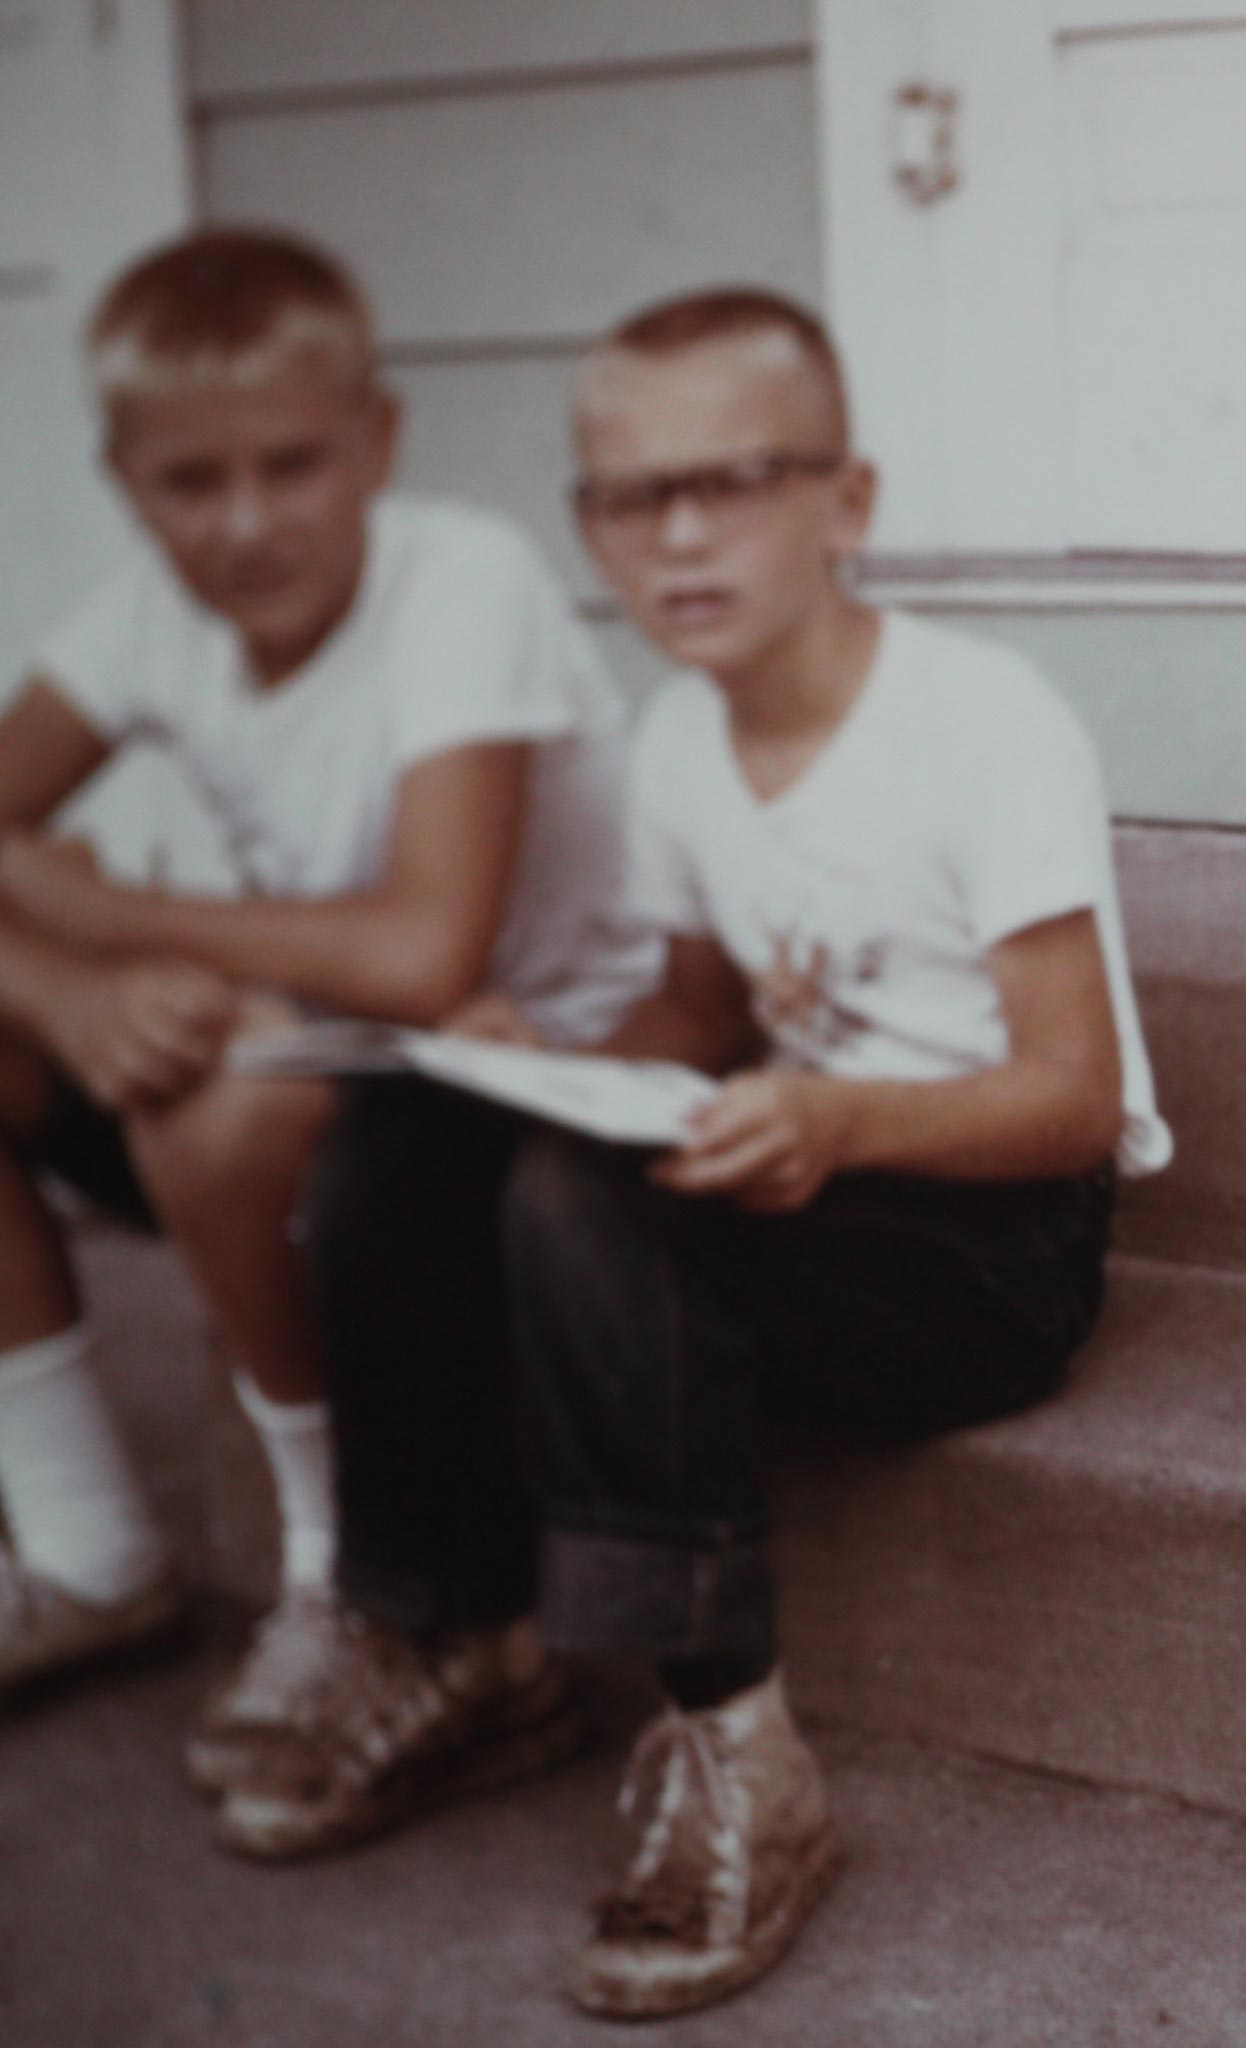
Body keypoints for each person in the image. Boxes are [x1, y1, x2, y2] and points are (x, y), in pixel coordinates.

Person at [214, 286, 1169, 2021]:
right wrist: (549, 1067)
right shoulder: (677, 734)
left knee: (595, 1211)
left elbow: (1073, 1099)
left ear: (847, 503)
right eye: (629, 498)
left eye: (730, 481)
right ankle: (458, 1632)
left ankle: (739, 1750)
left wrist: (844, 1119)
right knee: (414, 1132)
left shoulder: (983, 717)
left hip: (984, 1237)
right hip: (802, 1167)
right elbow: (703, 1009)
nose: (679, 536)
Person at [0, 228, 647, 1758]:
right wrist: (63, 984)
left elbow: (427, 952)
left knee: (217, 1086)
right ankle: (90, 1548)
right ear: (123, 477)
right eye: (190, 483)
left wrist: (109, 910)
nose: (244, 524)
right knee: (168, 1043)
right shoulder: (149, 619)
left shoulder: (459, 576)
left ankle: (340, 1575)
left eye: (293, 467)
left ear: (378, 441)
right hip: (354, 1061)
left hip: (535, 1077)